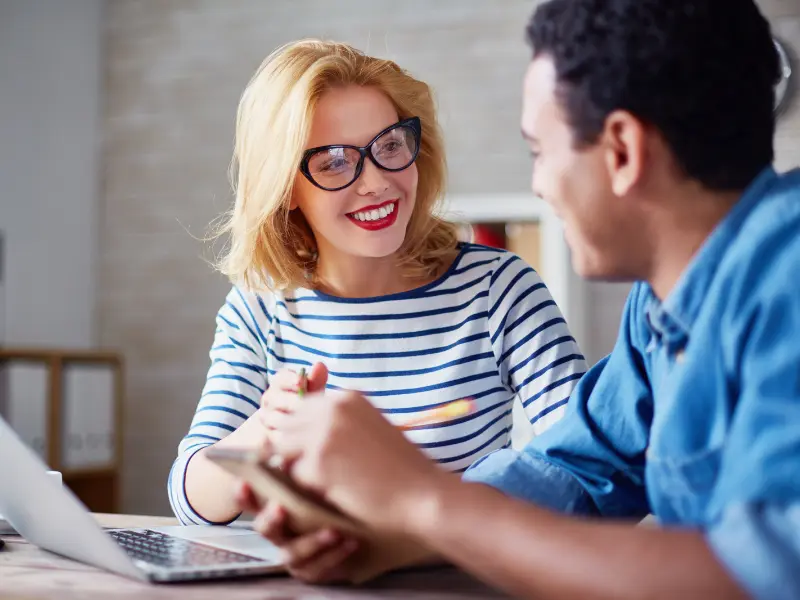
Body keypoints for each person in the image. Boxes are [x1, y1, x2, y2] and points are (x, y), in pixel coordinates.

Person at [248, 1, 800, 598]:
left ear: (621, 151)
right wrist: (394, 535)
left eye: (539, 151)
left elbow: (769, 571)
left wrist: (424, 500)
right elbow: (577, 470)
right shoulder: (661, 309)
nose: (539, 186)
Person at [167, 39, 587, 572]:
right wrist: (265, 430)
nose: (376, 182)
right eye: (334, 162)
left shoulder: (498, 289)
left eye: (389, 146)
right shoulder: (260, 308)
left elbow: (585, 469)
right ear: (286, 187)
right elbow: (190, 500)